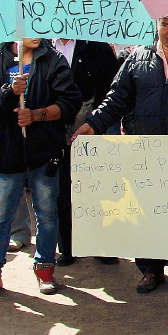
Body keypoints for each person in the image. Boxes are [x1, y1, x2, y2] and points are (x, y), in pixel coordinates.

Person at [75, 12, 168, 294]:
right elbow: (117, 98)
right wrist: (93, 124)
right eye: (165, 24)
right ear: (156, 25)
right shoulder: (138, 57)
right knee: (145, 210)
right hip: (145, 152)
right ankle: (150, 270)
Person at [0, 38, 82, 299]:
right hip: (7, 153)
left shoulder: (52, 59)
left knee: (47, 214)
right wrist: (9, 91)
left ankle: (45, 268)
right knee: (0, 217)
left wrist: (37, 114)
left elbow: (70, 103)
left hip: (43, 153)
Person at [51, 37, 119, 267]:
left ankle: (104, 246)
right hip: (53, 129)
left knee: (99, 189)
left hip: (92, 127)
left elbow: (112, 89)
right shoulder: (42, 47)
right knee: (62, 191)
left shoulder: (97, 47)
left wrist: (94, 121)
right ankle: (68, 247)